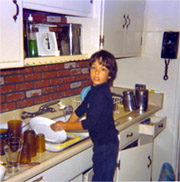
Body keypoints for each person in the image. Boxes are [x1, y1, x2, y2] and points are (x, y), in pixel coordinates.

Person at [50, 50, 119, 182]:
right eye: (94, 68)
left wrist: (65, 125)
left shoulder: (101, 95)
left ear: (110, 75)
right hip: (102, 143)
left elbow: (90, 123)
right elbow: (80, 110)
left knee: (101, 179)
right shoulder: (94, 90)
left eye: (102, 69)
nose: (97, 72)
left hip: (106, 146)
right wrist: (66, 127)